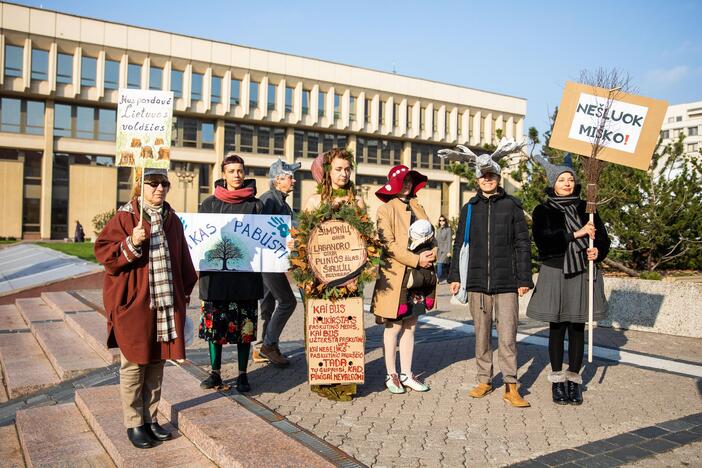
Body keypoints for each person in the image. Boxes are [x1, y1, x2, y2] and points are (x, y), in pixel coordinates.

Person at [94, 168, 197, 449]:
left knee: (157, 361)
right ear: (140, 186)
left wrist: (182, 295)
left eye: (164, 183)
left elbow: (183, 259)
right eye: (153, 184)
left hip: (163, 304)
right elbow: (104, 252)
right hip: (135, 303)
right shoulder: (126, 217)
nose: (159, 189)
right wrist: (132, 241)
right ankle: (133, 422)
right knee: (133, 363)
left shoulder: (171, 219)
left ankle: (150, 419)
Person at [448, 162, 533, 408]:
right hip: (477, 283)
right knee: (482, 336)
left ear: (498, 177)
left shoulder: (512, 206)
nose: (487, 179)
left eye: (491, 175)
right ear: (477, 180)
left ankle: (511, 385)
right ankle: (484, 380)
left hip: (507, 282)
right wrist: (455, 276)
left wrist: (524, 278)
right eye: (483, 176)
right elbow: (459, 245)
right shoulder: (470, 208)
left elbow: (523, 244)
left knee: (508, 336)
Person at [526, 156, 610, 405]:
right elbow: (544, 240)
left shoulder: (588, 207)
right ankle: (556, 381)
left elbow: (603, 238)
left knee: (576, 327)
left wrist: (599, 251)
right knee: (557, 327)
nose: (567, 183)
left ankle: (573, 381)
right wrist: (577, 233)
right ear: (553, 183)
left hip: (582, 271)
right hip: (555, 271)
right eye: (562, 179)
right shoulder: (543, 210)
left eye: (570, 179)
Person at [301, 147, 364, 401]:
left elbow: (365, 241)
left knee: (346, 328)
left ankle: (346, 381)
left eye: (347, 169)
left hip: (349, 277)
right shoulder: (314, 202)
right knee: (324, 329)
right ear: (327, 172)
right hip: (319, 279)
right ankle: (323, 379)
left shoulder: (357, 202)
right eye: (338, 169)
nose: (344, 174)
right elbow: (303, 242)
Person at [198, 153, 264, 393]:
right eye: (232, 171)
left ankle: (243, 374)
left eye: (240, 171)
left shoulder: (256, 205)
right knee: (215, 329)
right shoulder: (209, 204)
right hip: (216, 280)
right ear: (223, 174)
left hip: (246, 280)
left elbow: (267, 241)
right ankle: (214, 373)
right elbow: (200, 242)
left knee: (244, 330)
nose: (237, 175)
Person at [371, 165, 435, 394]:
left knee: (411, 325)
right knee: (394, 327)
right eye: (403, 181)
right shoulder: (384, 210)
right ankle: (392, 374)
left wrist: (433, 253)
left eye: (410, 181)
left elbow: (430, 234)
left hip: (417, 278)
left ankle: (407, 373)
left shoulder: (418, 205)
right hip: (396, 277)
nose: (407, 185)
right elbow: (388, 245)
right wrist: (417, 260)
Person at [253, 158, 301, 367]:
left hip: (272, 261)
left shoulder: (280, 200)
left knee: (268, 305)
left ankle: (264, 347)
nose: (294, 181)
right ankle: (268, 346)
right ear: (277, 180)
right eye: (290, 177)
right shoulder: (270, 200)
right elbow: (261, 230)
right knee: (288, 302)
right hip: (268, 262)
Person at [435, 215, 452, 283]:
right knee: (445, 265)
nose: (441, 222)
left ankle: (438, 278)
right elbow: (436, 241)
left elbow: (449, 241)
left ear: (445, 221)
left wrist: (448, 251)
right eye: (440, 220)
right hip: (439, 251)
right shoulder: (438, 230)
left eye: (443, 220)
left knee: (439, 264)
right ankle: (448, 278)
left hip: (445, 250)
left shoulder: (448, 229)